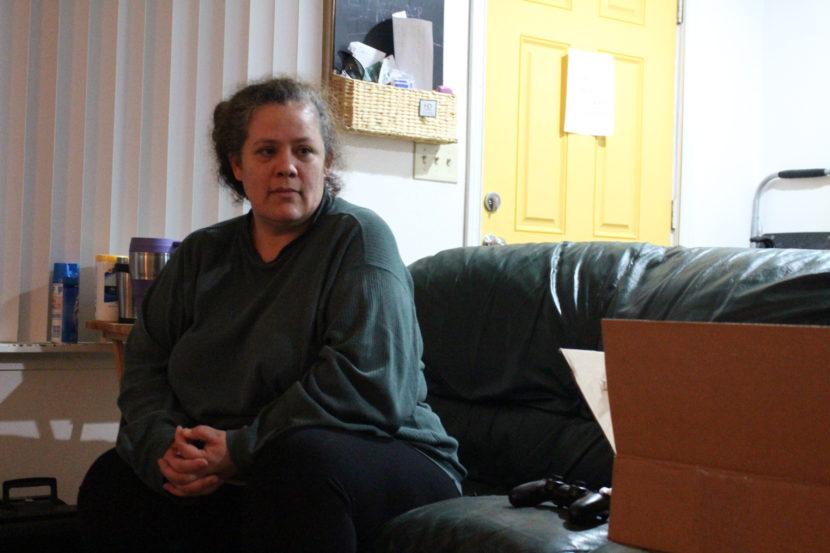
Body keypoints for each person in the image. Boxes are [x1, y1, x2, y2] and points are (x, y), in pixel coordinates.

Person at [78, 76, 465, 553]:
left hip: (387, 453)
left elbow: (369, 384)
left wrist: (241, 449)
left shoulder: (359, 239)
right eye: (266, 152)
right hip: (252, 458)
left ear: (327, 163)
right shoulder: (202, 253)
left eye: (304, 151)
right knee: (112, 480)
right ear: (237, 165)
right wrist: (163, 447)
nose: (287, 167)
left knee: (297, 464)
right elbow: (146, 367)